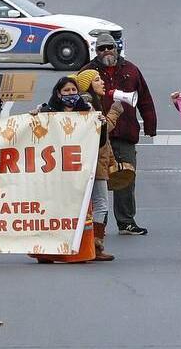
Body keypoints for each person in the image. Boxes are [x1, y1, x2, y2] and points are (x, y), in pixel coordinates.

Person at [81, 33, 157, 235]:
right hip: (96, 138)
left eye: (110, 47)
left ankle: (126, 222)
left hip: (124, 133)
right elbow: (73, 94)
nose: (106, 51)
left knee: (126, 177)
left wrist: (150, 125)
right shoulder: (87, 72)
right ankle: (98, 224)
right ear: (96, 51)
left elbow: (145, 99)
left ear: (117, 49)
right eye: (101, 48)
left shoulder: (131, 70)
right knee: (96, 182)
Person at [30, 76, 98, 264]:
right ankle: (47, 253)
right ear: (58, 93)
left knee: (78, 212)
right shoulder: (47, 111)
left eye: (73, 91)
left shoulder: (87, 112)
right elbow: (34, 139)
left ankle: (78, 253)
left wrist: (101, 123)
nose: (70, 94)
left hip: (78, 173)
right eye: (66, 91)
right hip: (54, 172)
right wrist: (34, 118)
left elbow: (98, 142)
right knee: (53, 211)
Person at [76, 69, 121, 262]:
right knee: (100, 204)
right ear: (87, 85)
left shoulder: (92, 102)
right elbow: (99, 131)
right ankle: (96, 244)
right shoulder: (88, 104)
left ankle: (89, 244)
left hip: (94, 160)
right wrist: (115, 113)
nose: (102, 82)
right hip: (93, 161)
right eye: (97, 80)